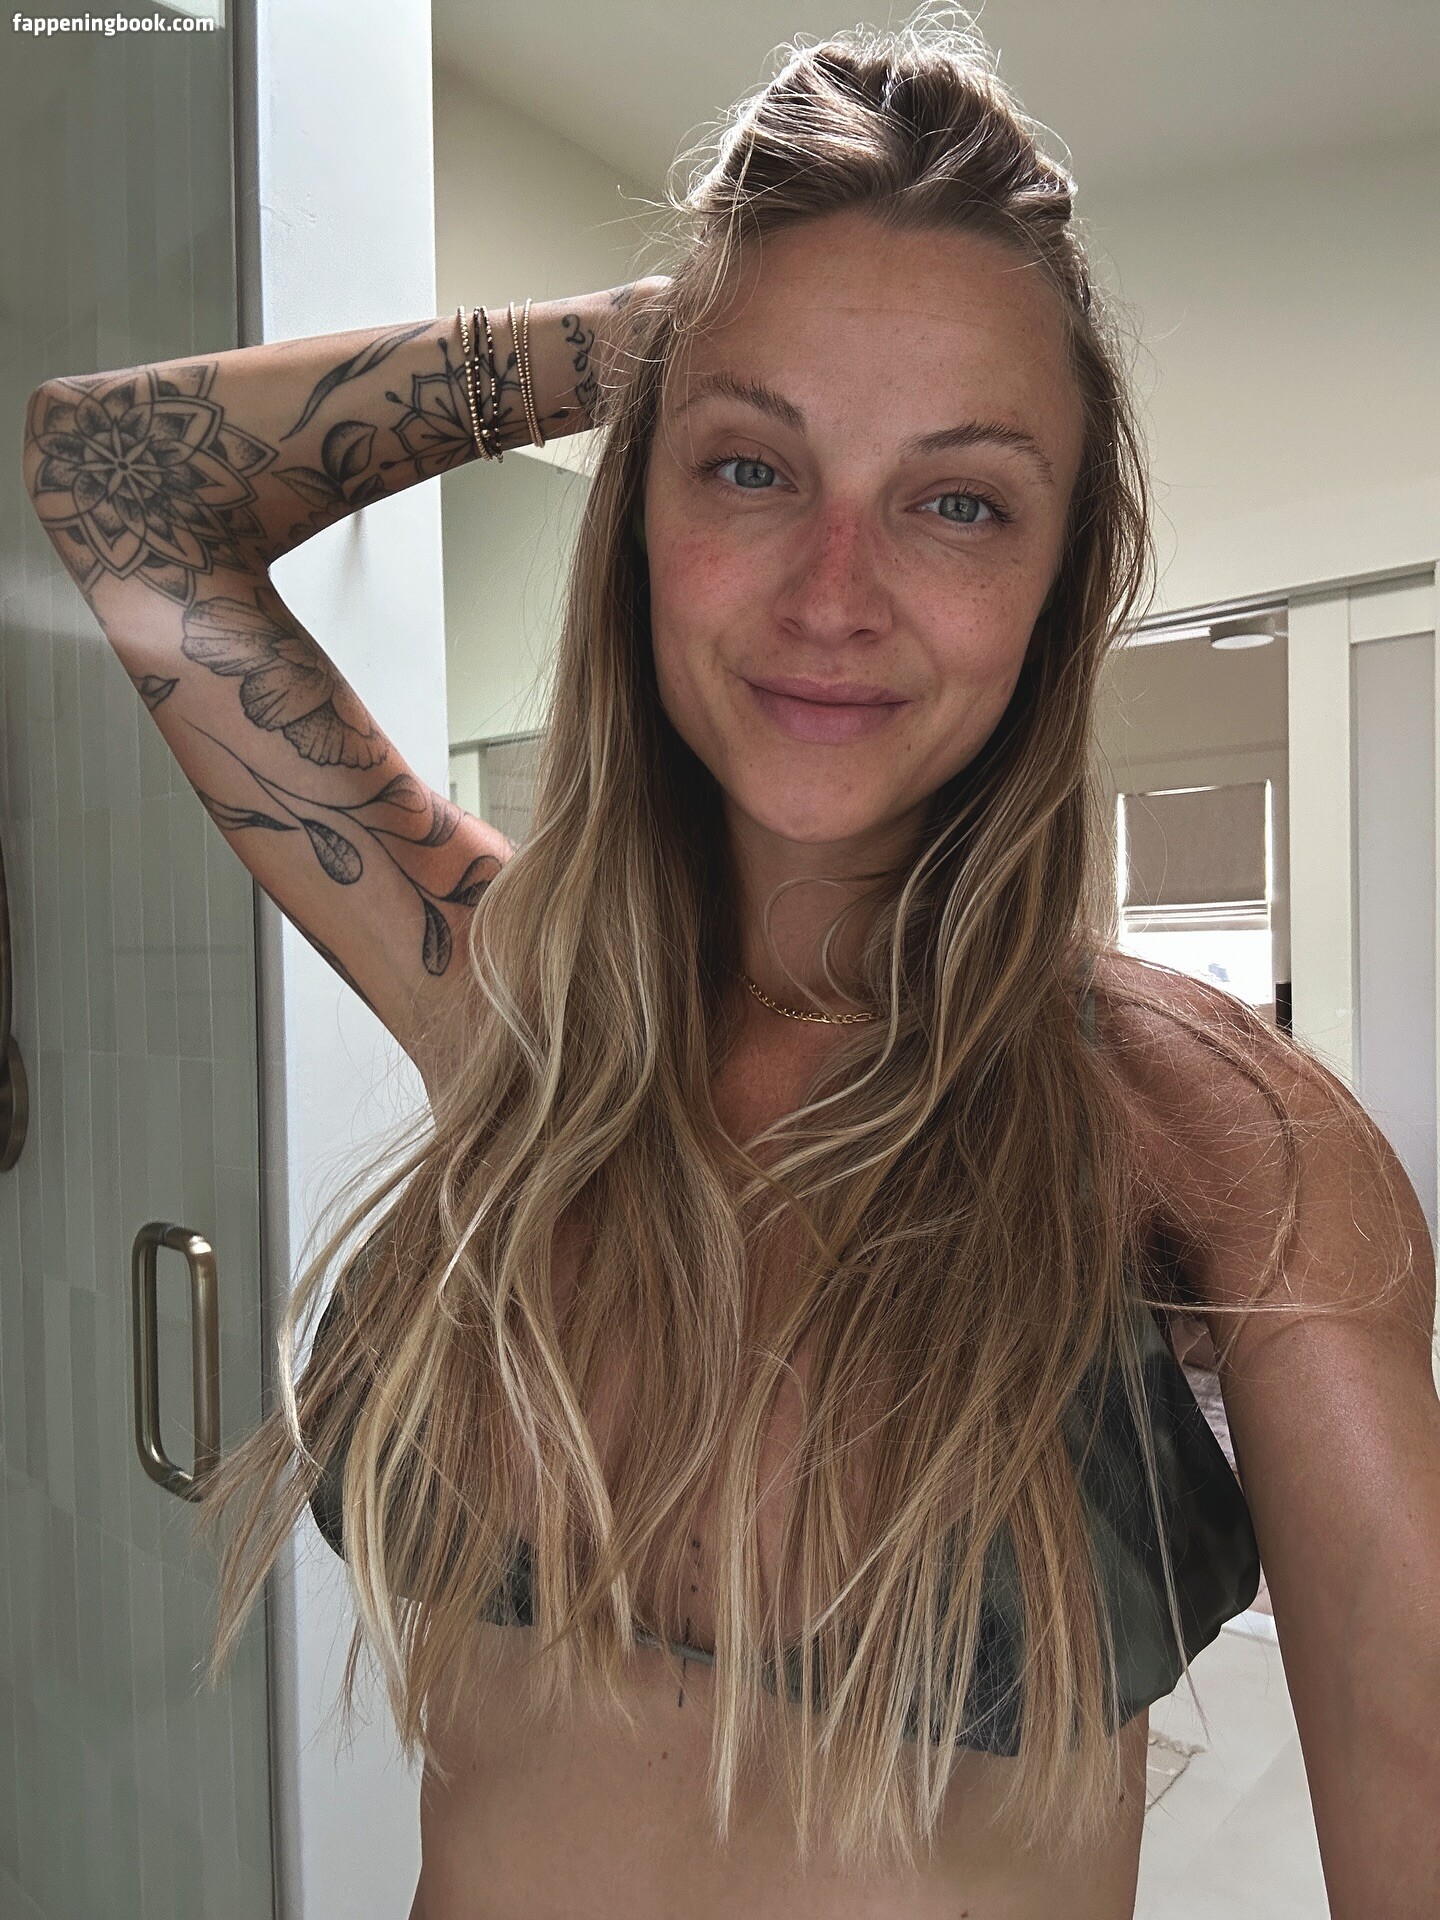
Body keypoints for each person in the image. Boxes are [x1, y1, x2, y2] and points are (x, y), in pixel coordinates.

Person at [22, 19, 1439, 1920]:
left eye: (958, 499)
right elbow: (113, 475)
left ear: (1059, 578)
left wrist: (748, 367)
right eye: (752, 467)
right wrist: (656, 336)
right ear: (642, 516)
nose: (834, 591)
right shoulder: (531, 1005)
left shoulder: (1220, 1140)